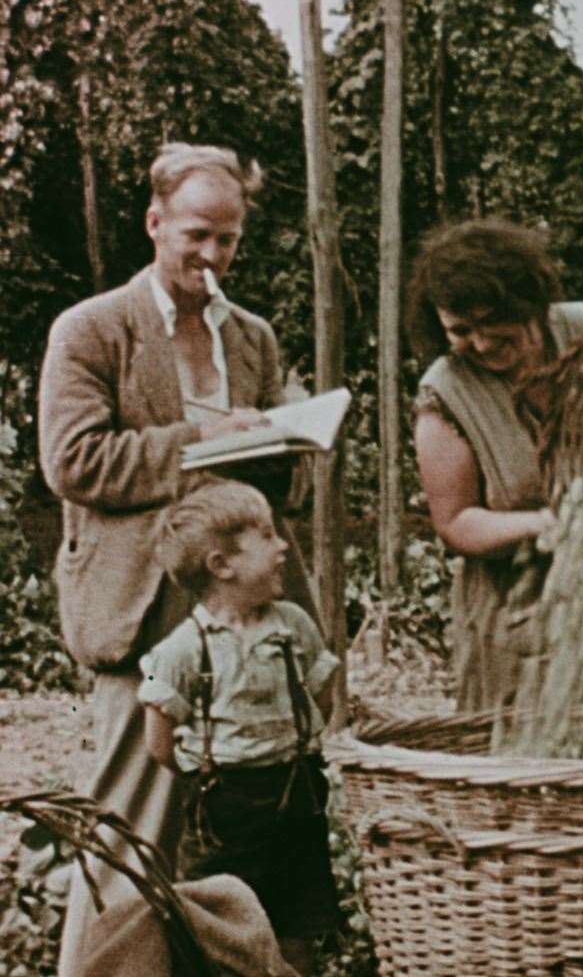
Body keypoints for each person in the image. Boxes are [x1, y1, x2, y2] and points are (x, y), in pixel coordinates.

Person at [38, 143, 314, 975]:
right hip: (142, 614)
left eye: (227, 240)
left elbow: (270, 487)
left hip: (240, 621)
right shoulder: (91, 330)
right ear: (154, 223)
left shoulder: (252, 337)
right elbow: (76, 461)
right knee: (127, 828)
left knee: (237, 834)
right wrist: (202, 439)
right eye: (196, 235)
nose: (212, 257)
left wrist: (291, 436)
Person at [408, 218, 583, 712]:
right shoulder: (445, 394)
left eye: (494, 324)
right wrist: (544, 524)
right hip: (522, 613)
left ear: (527, 304)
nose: (481, 344)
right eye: (460, 331)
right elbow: (456, 522)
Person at [140, 481, 340, 975]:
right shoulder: (182, 650)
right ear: (221, 566)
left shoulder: (293, 627)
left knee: (297, 926)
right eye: (268, 537)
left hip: (297, 799)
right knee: (221, 933)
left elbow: (323, 696)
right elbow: (159, 742)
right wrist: (208, 768)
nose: (283, 548)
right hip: (226, 814)